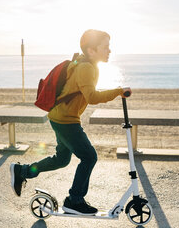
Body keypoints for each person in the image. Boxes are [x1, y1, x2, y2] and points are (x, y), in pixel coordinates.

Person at [10, 29, 131, 215]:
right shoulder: (86, 68)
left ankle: (23, 171)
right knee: (89, 157)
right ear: (91, 50)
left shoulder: (85, 64)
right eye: (105, 47)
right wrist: (118, 91)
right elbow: (91, 96)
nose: (109, 50)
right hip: (66, 120)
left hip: (61, 118)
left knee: (61, 159)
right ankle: (74, 200)